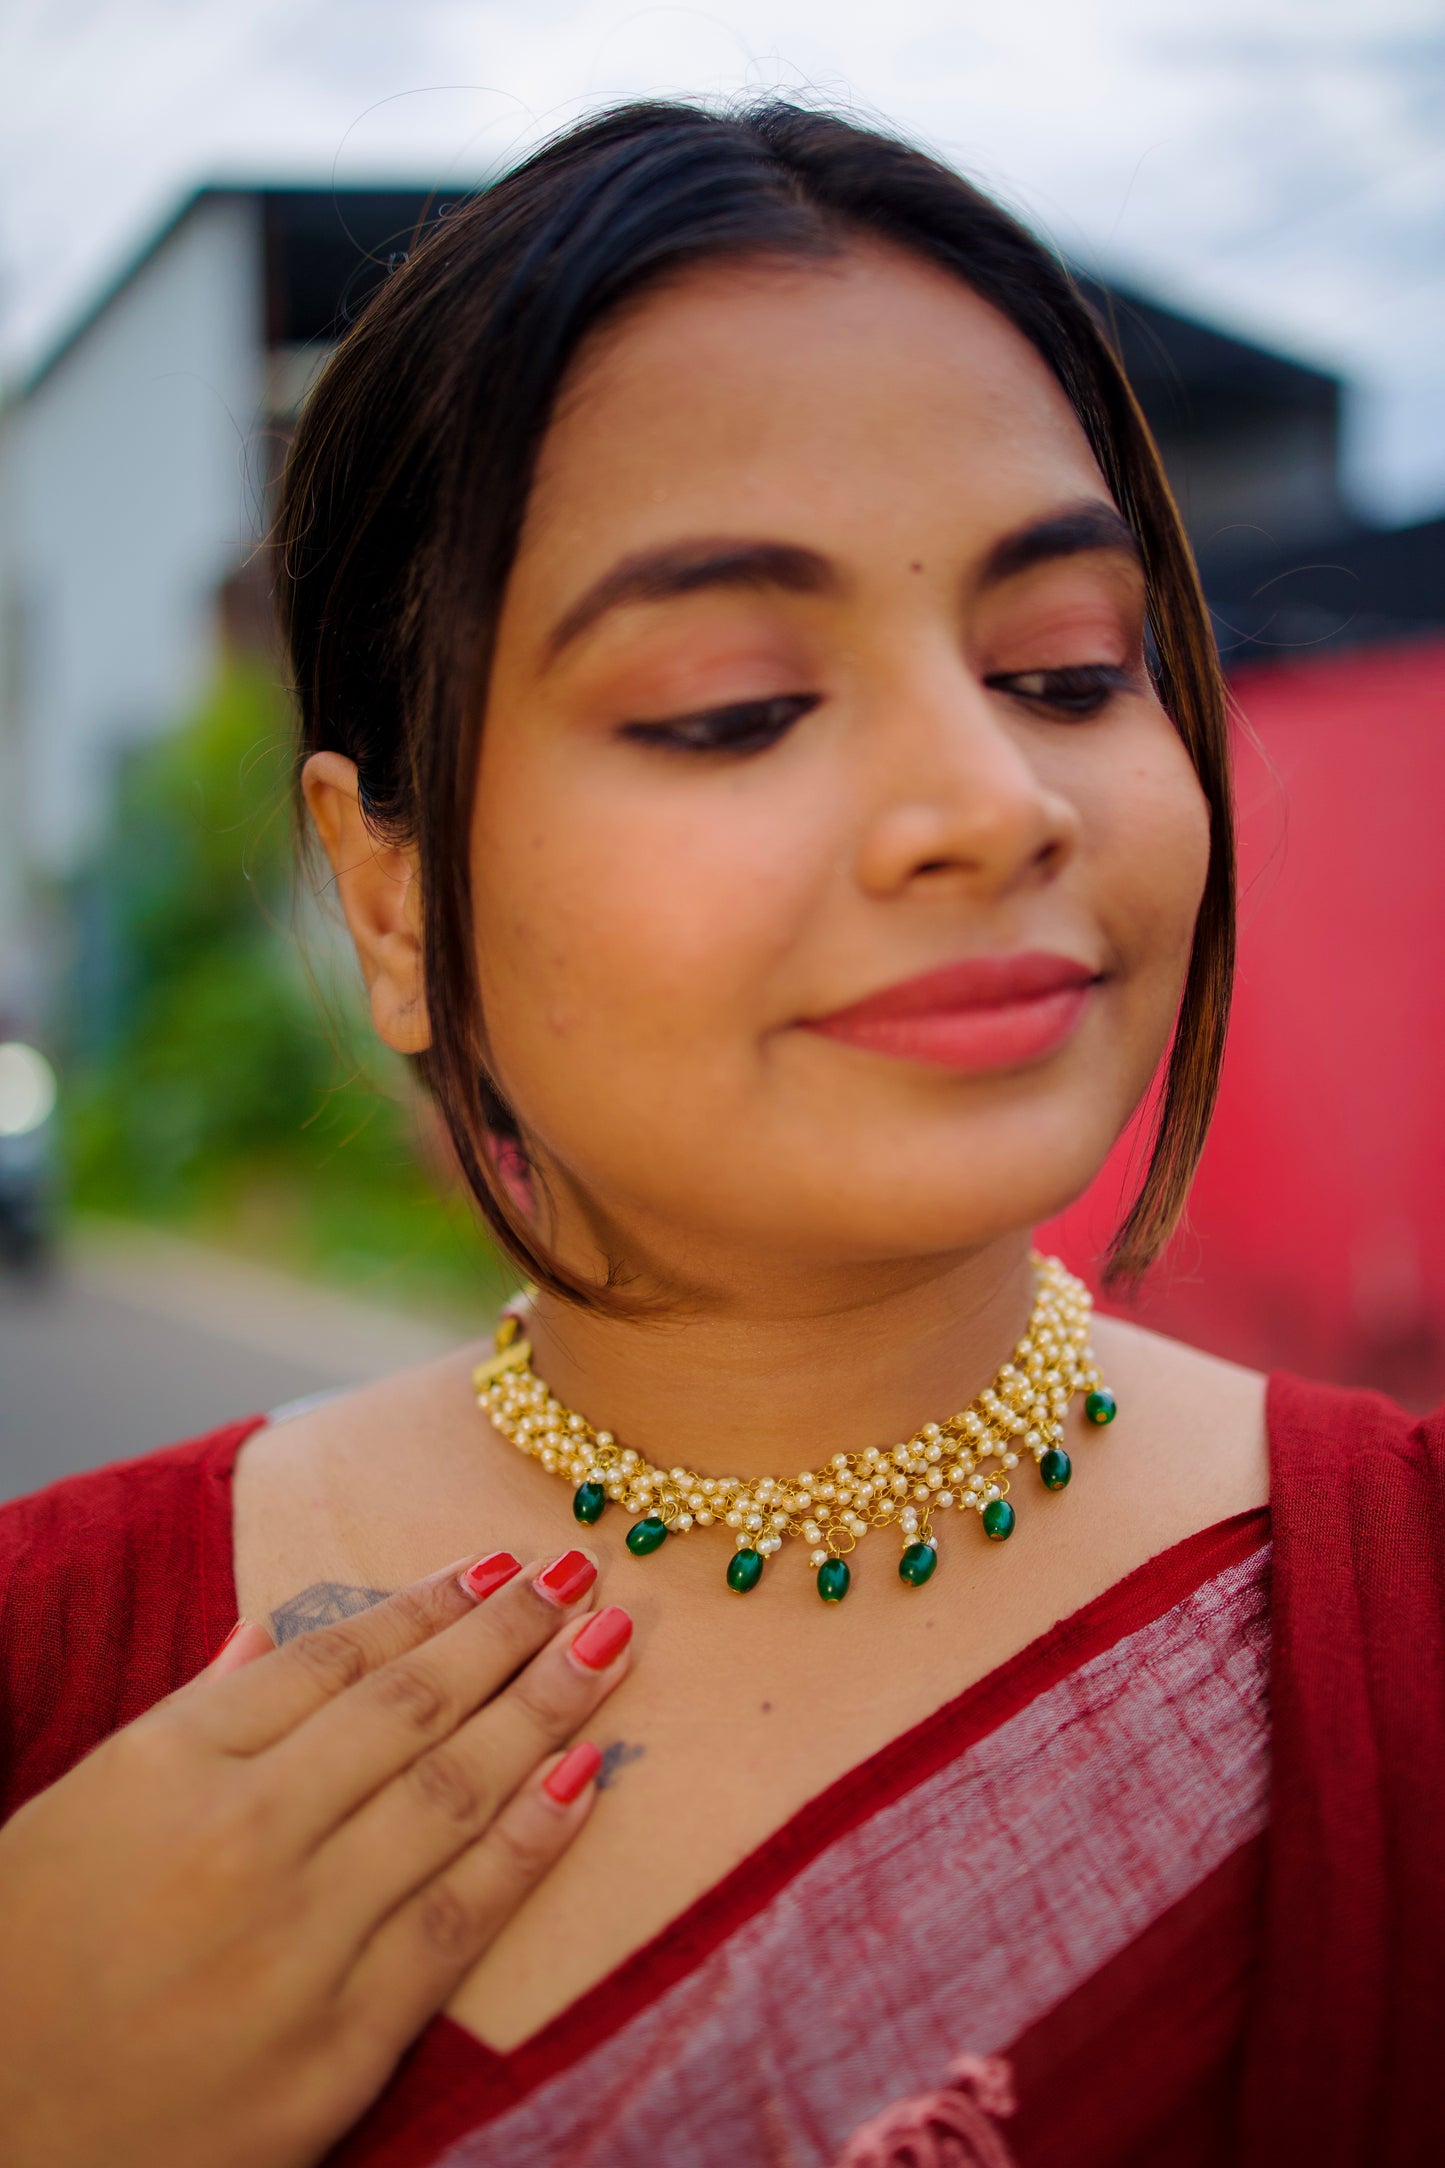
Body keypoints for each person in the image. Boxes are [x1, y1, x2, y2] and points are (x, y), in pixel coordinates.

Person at [0, 99, 1440, 2168]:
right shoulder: (63, 1674)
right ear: (393, 894)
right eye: (734, 704)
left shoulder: (1405, 1612)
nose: (991, 800)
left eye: (1065, 667)